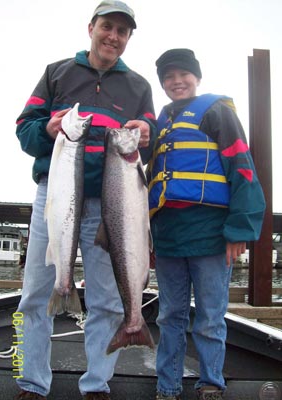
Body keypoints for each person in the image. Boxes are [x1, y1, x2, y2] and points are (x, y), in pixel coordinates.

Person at [14, 2, 156, 400]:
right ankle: (32, 381)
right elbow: (25, 131)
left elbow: (152, 138)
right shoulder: (56, 73)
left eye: (122, 31)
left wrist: (148, 133)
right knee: (35, 294)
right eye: (107, 27)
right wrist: (48, 128)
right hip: (55, 200)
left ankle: (96, 384)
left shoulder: (139, 86)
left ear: (129, 39)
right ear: (91, 27)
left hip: (113, 206)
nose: (113, 36)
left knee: (109, 299)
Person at [147, 49, 265, 400]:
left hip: (211, 234)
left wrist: (240, 229)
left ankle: (211, 383)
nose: (176, 81)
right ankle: (166, 387)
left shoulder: (216, 111)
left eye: (183, 74)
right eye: (168, 77)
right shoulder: (160, 122)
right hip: (168, 236)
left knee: (211, 317)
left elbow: (243, 168)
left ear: (197, 77)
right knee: (169, 316)